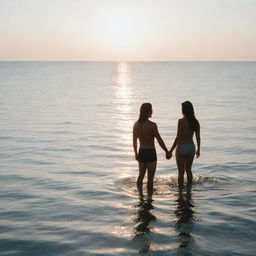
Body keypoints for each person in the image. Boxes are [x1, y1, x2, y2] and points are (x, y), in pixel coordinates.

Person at [133, 103, 170, 195]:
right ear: (147, 112)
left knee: (141, 176)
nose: (152, 111)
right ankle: (149, 199)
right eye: (151, 110)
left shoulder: (136, 125)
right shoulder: (152, 125)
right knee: (150, 179)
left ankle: (140, 196)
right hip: (150, 152)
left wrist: (136, 154)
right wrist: (167, 151)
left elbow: (134, 141)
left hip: (141, 152)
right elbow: (159, 140)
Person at [169, 101, 200, 190]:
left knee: (181, 172)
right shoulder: (195, 122)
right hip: (191, 147)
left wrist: (170, 151)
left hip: (182, 147)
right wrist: (198, 149)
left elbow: (177, 137)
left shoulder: (181, 121)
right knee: (189, 171)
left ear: (184, 110)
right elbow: (198, 137)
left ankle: (180, 192)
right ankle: (189, 191)